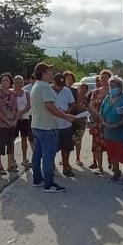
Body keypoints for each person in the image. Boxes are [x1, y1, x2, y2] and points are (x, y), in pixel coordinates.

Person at [30, 63, 76, 193]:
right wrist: (65, 116)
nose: (52, 73)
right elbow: (50, 106)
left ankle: (37, 180)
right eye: (50, 71)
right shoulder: (45, 87)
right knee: (48, 157)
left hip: (37, 125)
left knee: (37, 155)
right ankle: (49, 185)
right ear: (44, 72)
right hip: (47, 127)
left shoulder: (36, 86)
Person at [100, 76, 123, 184]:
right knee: (112, 153)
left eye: (113, 86)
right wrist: (104, 123)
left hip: (121, 132)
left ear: (120, 87)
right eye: (110, 86)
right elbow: (101, 112)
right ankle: (116, 173)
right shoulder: (107, 98)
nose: (111, 88)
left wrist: (118, 124)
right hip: (108, 131)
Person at [53, 73, 77, 177]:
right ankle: (51, 167)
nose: (60, 87)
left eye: (62, 85)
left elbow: (72, 104)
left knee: (66, 148)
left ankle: (66, 167)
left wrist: (68, 112)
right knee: (52, 148)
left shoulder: (66, 90)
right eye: (58, 85)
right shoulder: (48, 90)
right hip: (52, 125)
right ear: (54, 82)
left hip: (65, 124)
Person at [0, 73, 18, 175]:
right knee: (0, 144)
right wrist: (5, 120)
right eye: (2, 80)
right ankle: (0, 166)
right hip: (0, 123)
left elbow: (16, 108)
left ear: (10, 82)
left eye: (6, 80)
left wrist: (15, 119)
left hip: (12, 123)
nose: (4, 82)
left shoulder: (13, 94)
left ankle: (9, 164)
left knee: (10, 144)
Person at [88, 70, 112, 173]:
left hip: (111, 122)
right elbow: (91, 106)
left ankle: (111, 162)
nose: (104, 80)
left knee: (111, 143)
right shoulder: (96, 92)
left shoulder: (114, 92)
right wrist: (98, 115)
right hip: (98, 122)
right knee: (98, 145)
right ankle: (100, 167)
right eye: (102, 78)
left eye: (106, 78)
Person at [13, 75, 33, 166]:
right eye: (17, 82)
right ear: (14, 83)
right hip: (14, 120)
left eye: (20, 82)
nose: (19, 84)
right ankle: (12, 159)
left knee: (24, 138)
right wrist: (17, 114)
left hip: (25, 118)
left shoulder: (26, 93)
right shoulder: (12, 94)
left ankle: (24, 158)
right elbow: (10, 106)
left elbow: (29, 105)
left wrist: (21, 113)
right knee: (11, 139)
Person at [73, 82, 90, 167]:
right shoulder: (73, 98)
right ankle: (64, 159)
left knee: (79, 141)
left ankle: (78, 158)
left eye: (85, 88)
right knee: (68, 141)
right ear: (78, 88)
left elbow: (88, 110)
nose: (83, 90)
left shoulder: (87, 99)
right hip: (71, 121)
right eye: (81, 88)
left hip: (81, 122)